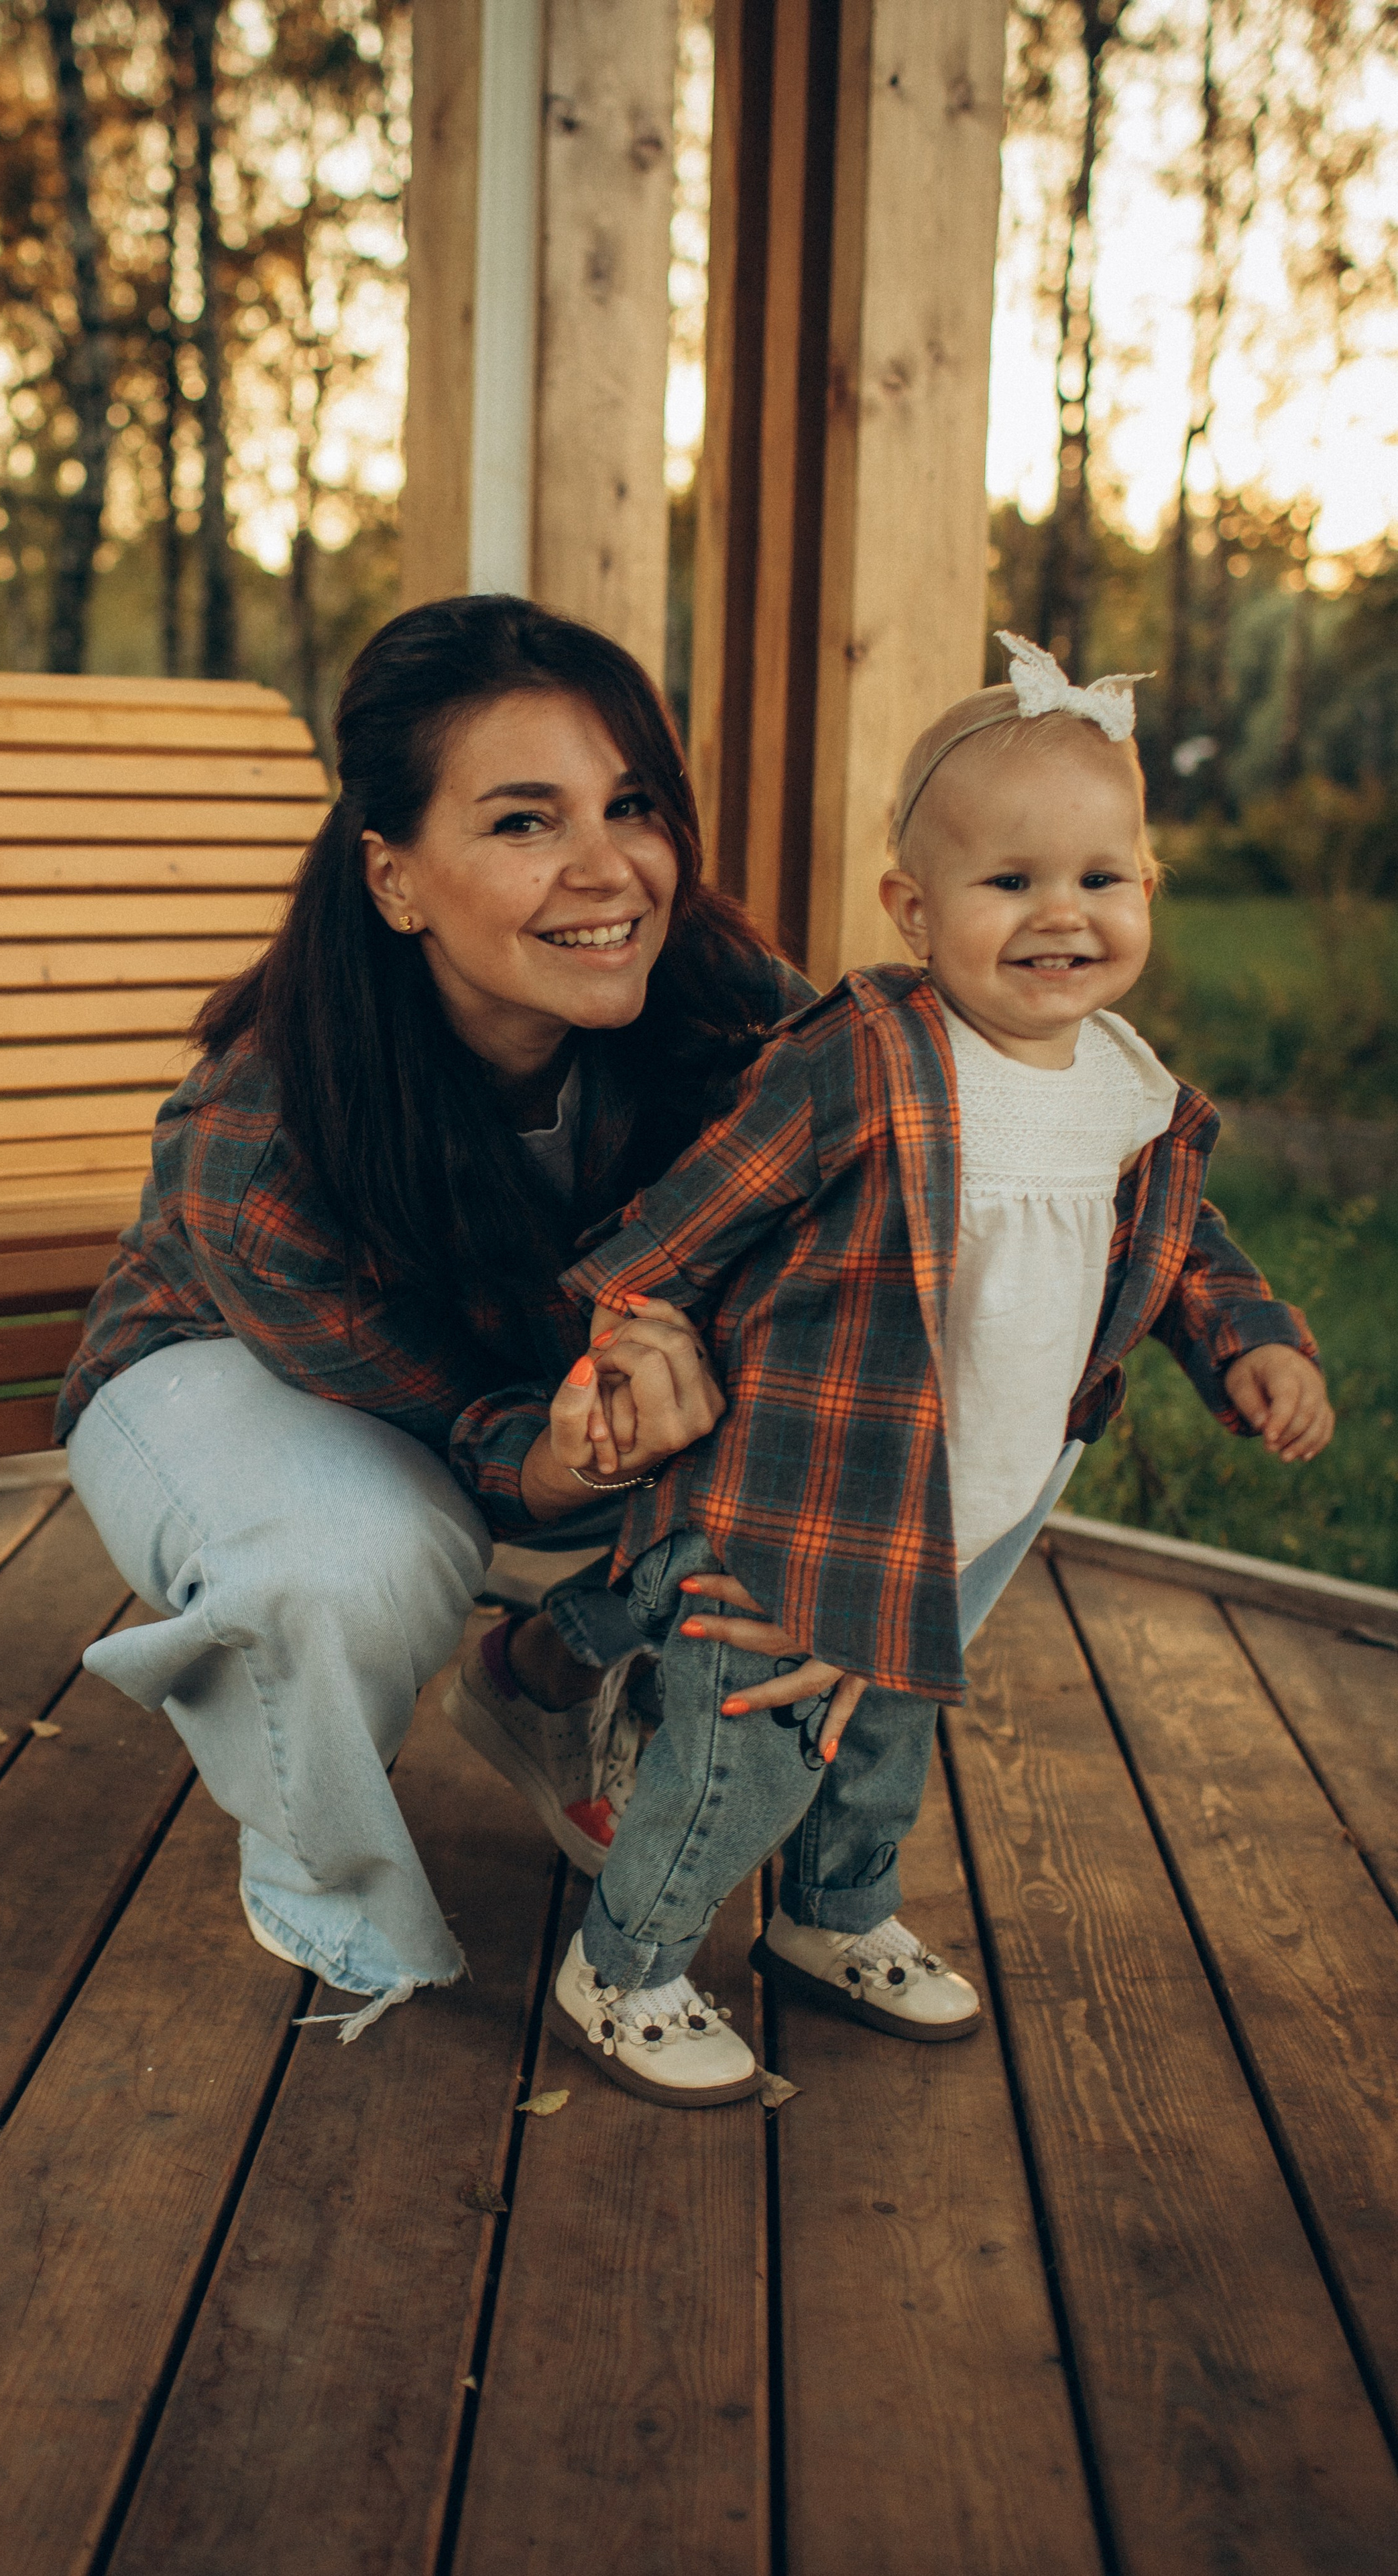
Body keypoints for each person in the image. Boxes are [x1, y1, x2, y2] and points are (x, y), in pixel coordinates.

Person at [540, 633, 1334, 2108]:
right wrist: (623, 1333)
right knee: (758, 1734)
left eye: (1098, 879)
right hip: (805, 1483)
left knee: (884, 1713)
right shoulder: (870, 1054)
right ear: (913, 909)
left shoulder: (1124, 1084)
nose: (1059, 917)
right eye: (1008, 882)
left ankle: (831, 1917)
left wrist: (1252, 1338)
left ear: (1145, 891)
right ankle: (626, 1960)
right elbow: (686, 1220)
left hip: (977, 1494)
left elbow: (1175, 1239)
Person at [56, 594, 814, 2037]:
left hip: (547, 1396)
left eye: (631, 802)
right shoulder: (260, 1131)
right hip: (241, 1378)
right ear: (395, 879)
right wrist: (577, 1454)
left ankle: (551, 1669)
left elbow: (912, 1195)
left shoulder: (725, 1002)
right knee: (347, 1564)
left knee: (965, 1358)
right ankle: (331, 1885)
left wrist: (862, 1546)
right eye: (523, 822)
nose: (608, 870)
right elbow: (463, 1434)